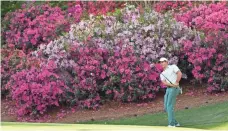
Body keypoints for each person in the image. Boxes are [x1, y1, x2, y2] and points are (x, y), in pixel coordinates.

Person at [159, 57, 182, 127]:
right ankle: (175, 122)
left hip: (174, 88)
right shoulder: (162, 73)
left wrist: (176, 82)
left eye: (163, 61)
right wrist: (172, 84)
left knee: (169, 105)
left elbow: (179, 73)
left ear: (167, 62)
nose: (162, 63)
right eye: (161, 62)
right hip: (169, 89)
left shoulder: (173, 67)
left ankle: (171, 124)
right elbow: (164, 82)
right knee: (166, 107)